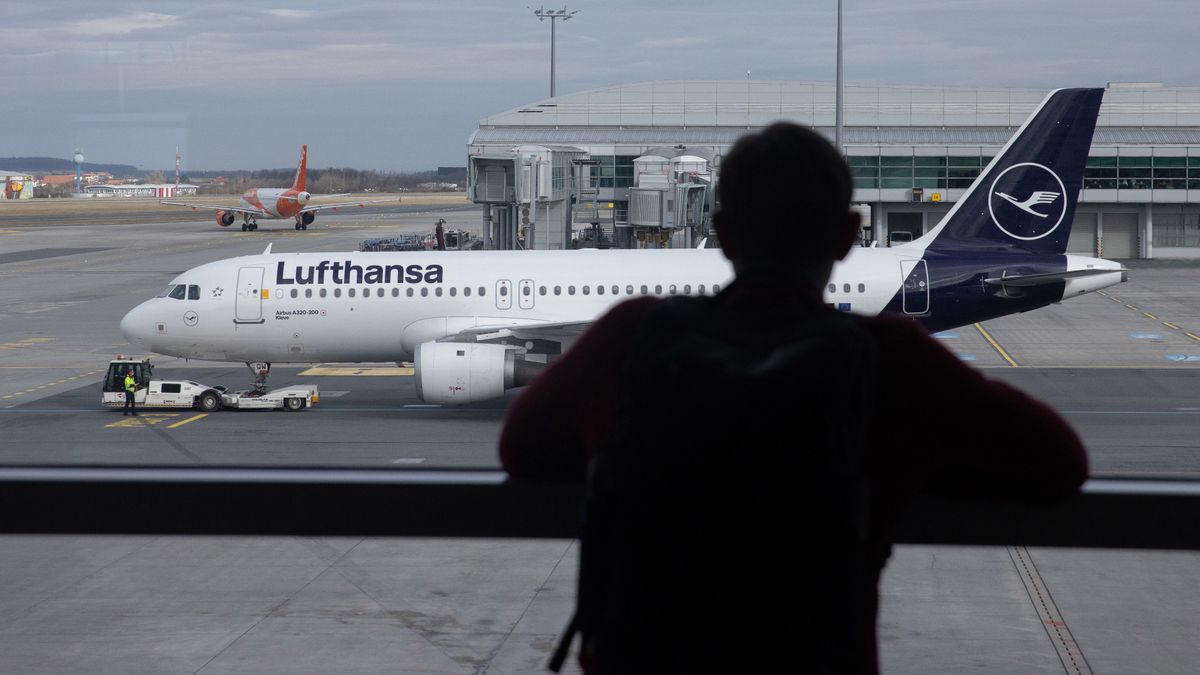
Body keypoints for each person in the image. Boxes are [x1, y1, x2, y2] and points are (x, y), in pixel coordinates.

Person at [499, 122, 1088, 674]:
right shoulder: (886, 357)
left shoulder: (633, 336)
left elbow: (522, 449)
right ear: (847, 235)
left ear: (724, 234)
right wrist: (895, 469)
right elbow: (1058, 464)